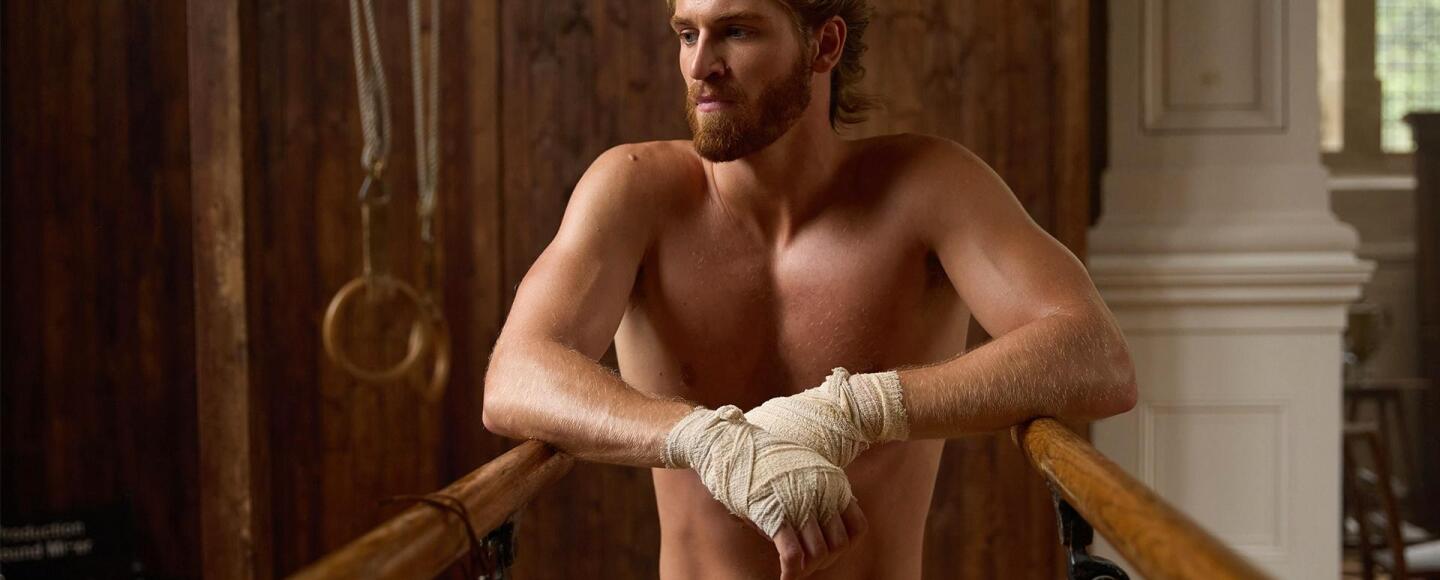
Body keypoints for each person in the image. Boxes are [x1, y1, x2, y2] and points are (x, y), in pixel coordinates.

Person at [481, 0, 1137, 578]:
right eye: (687, 34)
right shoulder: (635, 191)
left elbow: (1096, 355)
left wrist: (857, 409)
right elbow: (514, 377)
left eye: (737, 31)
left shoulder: (927, 189)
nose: (700, 65)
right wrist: (710, 441)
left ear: (824, 44)